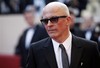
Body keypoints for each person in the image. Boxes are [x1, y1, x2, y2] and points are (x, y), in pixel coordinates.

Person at [26, 2, 100, 68]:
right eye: (45, 21)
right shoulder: (36, 50)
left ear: (68, 20)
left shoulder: (89, 48)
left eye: (54, 19)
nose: (49, 25)